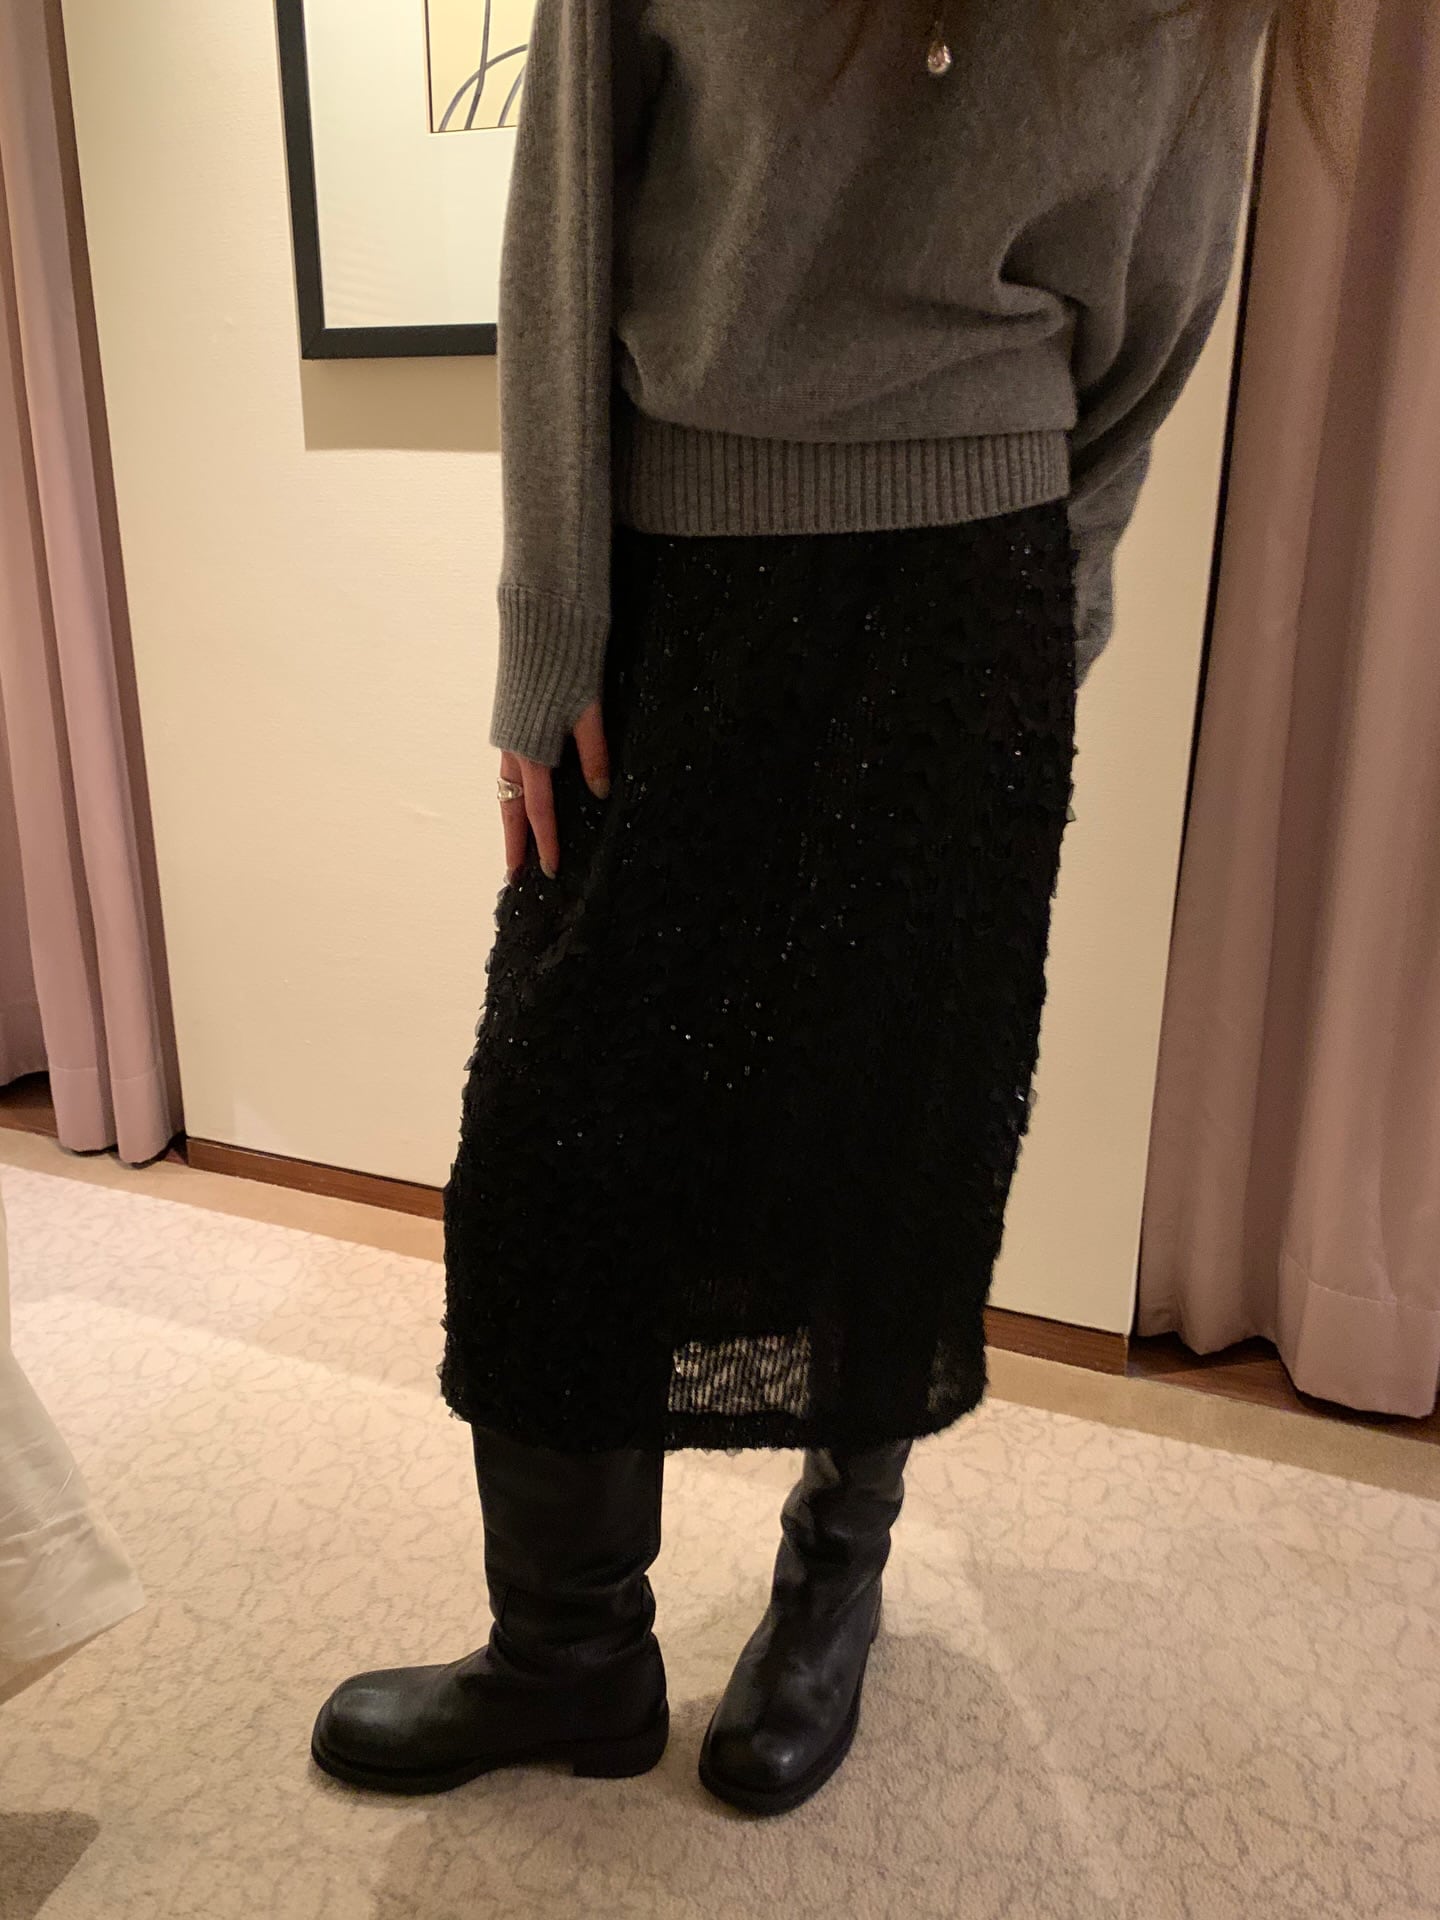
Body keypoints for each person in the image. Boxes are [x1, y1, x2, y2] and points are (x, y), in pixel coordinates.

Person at [314, 0, 1312, 1816]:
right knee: (552, 1134)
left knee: (897, 1131)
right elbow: (564, 217)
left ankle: (830, 1588)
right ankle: (569, 1653)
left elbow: (1162, 298)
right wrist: (550, 619)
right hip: (675, 582)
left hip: (971, 595)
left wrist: (1045, 611)